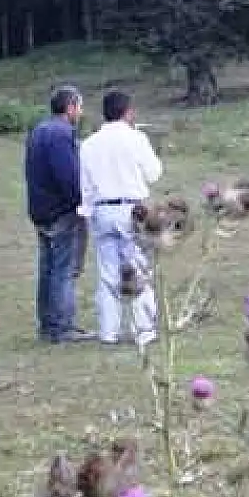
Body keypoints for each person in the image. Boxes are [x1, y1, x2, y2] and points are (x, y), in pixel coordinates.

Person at [80, 89, 163, 347]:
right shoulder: (136, 138)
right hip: (131, 208)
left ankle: (108, 330)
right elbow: (153, 174)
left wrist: (89, 210)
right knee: (138, 268)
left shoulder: (89, 143)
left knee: (107, 272)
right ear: (128, 112)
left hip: (102, 208)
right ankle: (144, 329)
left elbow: (86, 184)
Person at [26, 84, 93, 344]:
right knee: (63, 270)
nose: (81, 112)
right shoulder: (62, 134)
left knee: (48, 269)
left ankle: (47, 325)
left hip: (40, 209)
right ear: (70, 107)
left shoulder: (38, 131)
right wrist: (81, 202)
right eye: (79, 107)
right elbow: (68, 176)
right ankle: (62, 327)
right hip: (60, 211)